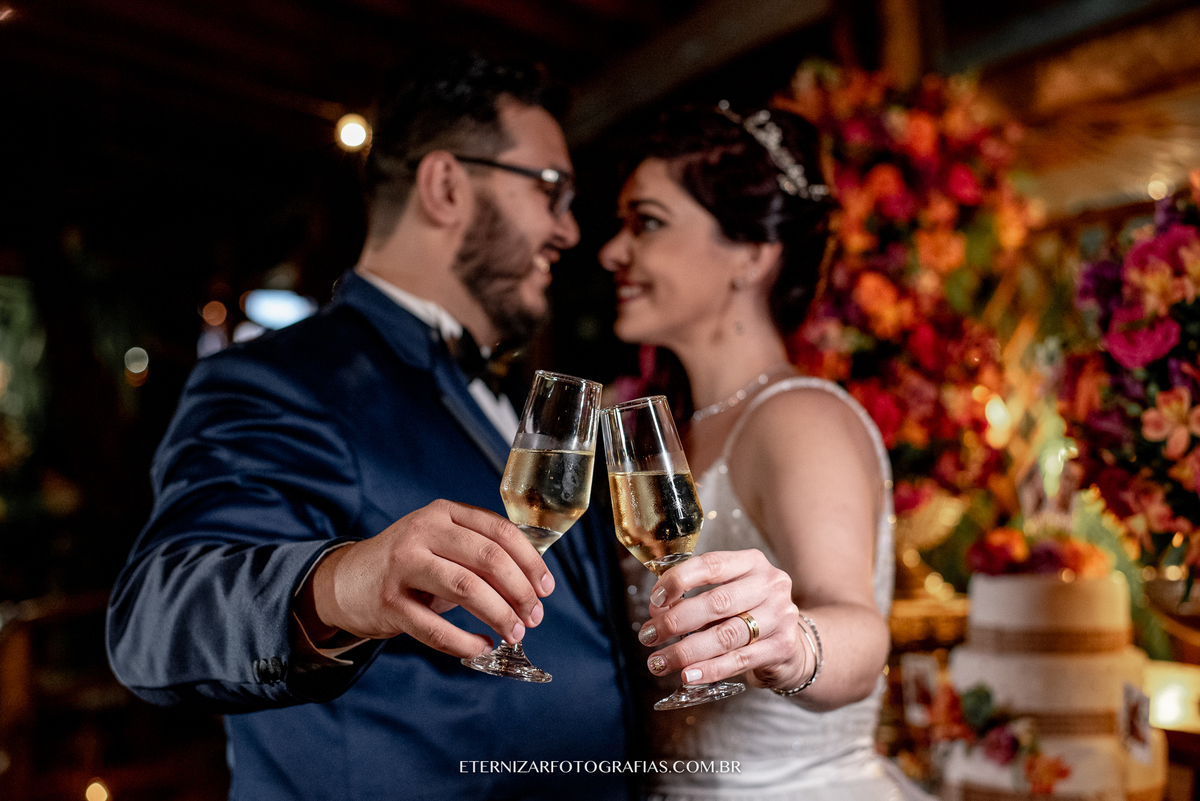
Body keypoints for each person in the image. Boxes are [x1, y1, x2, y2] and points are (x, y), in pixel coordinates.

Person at [106, 53, 639, 801]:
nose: (569, 230)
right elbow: (156, 617)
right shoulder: (283, 377)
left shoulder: (513, 396)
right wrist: (345, 583)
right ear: (447, 185)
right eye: (551, 189)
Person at [599, 103, 934, 800]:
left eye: (647, 222)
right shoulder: (669, 430)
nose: (612, 251)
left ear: (752, 253)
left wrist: (794, 643)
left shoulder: (797, 417)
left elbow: (858, 626)